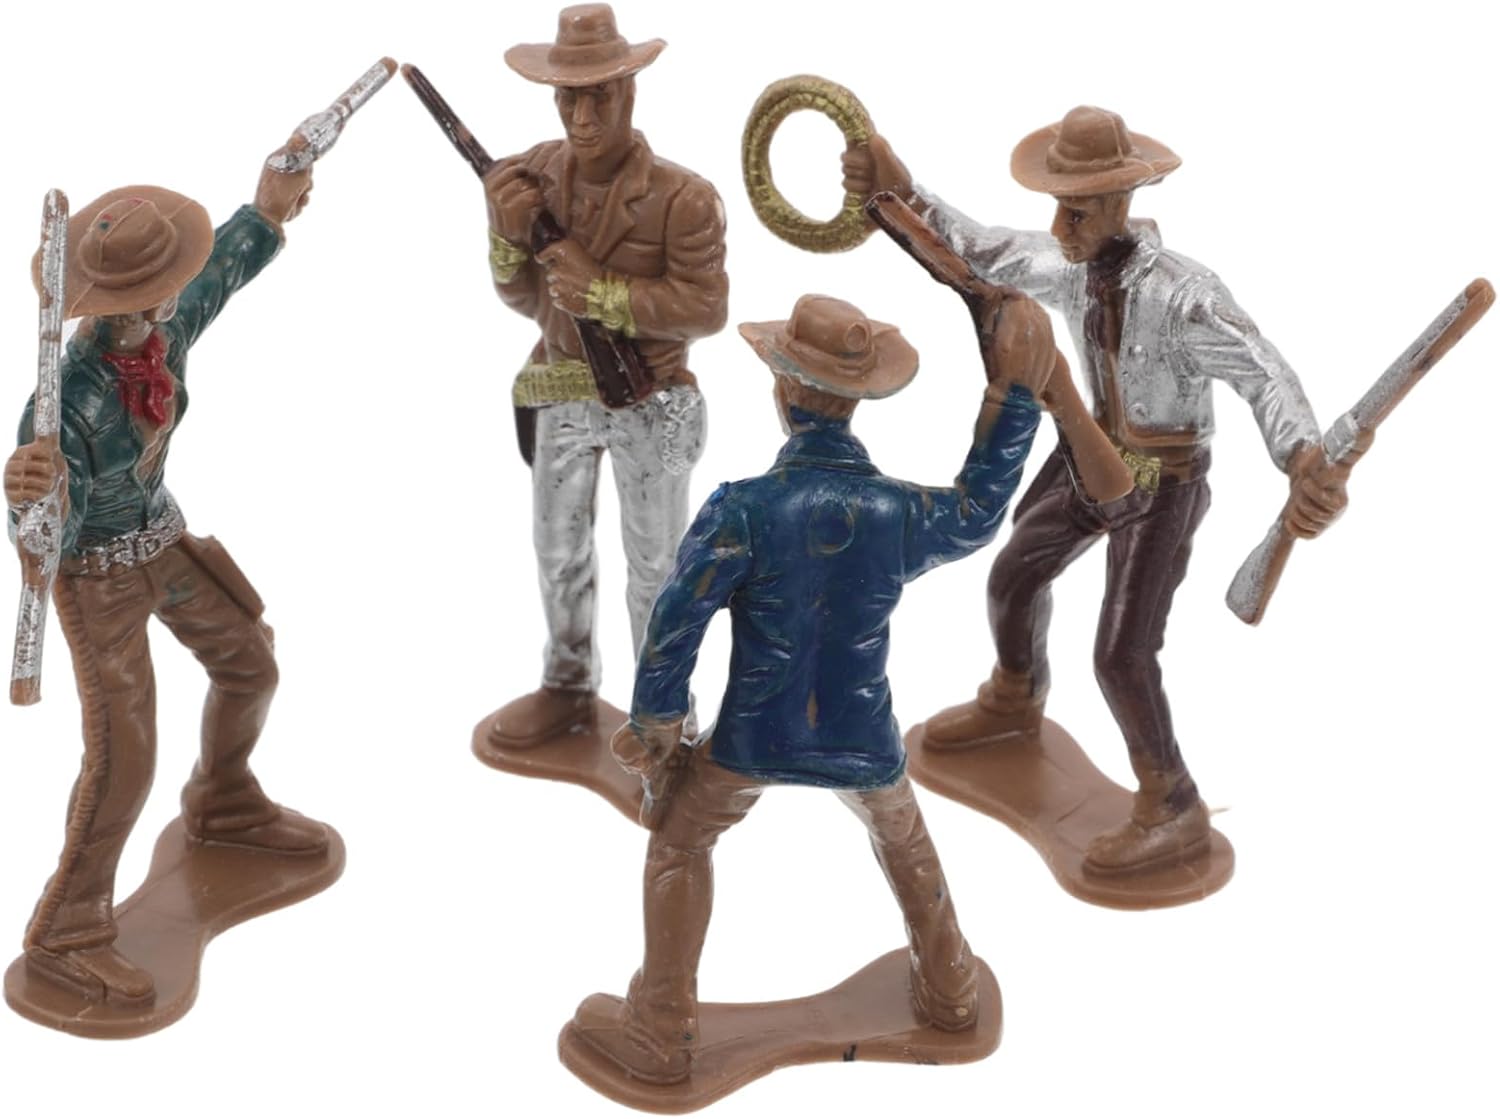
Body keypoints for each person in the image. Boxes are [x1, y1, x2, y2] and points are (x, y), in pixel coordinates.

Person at [843, 106, 1367, 873]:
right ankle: (1014, 699)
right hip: (1091, 457)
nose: (1060, 225)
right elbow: (980, 252)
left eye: (1079, 211)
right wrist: (900, 192)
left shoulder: (1187, 296)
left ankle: (1173, 804)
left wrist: (1301, 456)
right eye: (1059, 206)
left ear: (1122, 202)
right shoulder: (1069, 263)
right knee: (1013, 575)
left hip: (1165, 486)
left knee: (1122, 655)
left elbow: (1263, 371)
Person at [569, 292, 1053, 1083]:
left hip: (751, 737)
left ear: (785, 392)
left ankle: (660, 1027)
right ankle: (951, 991)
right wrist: (1017, 399)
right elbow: (976, 513)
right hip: (864, 736)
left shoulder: (743, 508)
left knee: (680, 843)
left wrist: (658, 717)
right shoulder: (895, 510)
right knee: (905, 844)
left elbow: (676, 617)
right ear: (855, 401)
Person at [3, 160, 326, 1003]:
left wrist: (265, 211)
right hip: (97, 580)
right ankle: (67, 928)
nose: (168, 302)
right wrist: (34, 499)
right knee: (125, 756)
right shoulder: (65, 407)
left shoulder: (163, 335)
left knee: (250, 662)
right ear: (115, 308)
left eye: (164, 291)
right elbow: (51, 535)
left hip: (165, 541)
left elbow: (219, 276)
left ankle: (225, 800)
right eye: (152, 295)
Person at [482, 3, 728, 748]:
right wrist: (505, 237)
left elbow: (706, 308)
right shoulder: (535, 175)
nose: (582, 118)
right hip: (559, 389)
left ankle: (664, 717)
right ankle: (566, 685)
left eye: (599, 97)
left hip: (648, 396)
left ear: (629, 90)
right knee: (557, 548)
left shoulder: (684, 198)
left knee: (656, 565)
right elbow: (526, 300)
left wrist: (605, 295)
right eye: (569, 99)